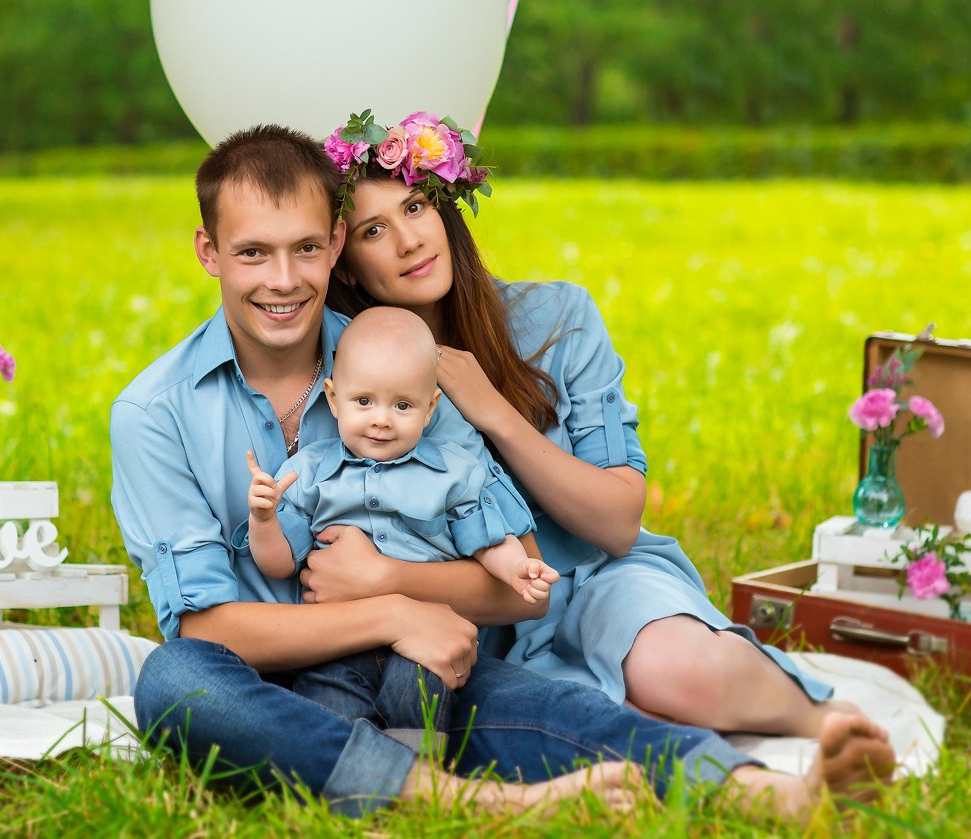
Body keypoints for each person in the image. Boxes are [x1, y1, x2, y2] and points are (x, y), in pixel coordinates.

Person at [110, 121, 894, 819]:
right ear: (209, 252)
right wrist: (389, 613)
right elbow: (208, 626)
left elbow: (510, 578)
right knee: (176, 681)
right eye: (253, 253)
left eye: (306, 249)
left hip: (427, 667)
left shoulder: (399, 360)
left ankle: (767, 792)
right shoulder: (155, 412)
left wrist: (396, 596)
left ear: (333, 249)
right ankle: (475, 801)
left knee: (562, 712)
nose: (283, 281)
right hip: (278, 681)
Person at [319, 109, 856, 738]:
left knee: (676, 670)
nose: (408, 240)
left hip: (602, 576)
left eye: (415, 208)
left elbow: (619, 522)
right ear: (346, 262)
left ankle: (822, 726)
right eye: (374, 230)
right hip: (478, 623)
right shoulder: (353, 379)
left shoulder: (558, 318)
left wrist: (491, 408)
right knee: (602, 720)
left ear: (446, 210)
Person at [246, 306, 555, 746]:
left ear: (430, 408)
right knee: (328, 697)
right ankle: (349, 772)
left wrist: (516, 570)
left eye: (403, 405)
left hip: (427, 634)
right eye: (364, 401)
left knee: (418, 693)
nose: (381, 419)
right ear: (333, 399)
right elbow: (279, 564)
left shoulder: (453, 473)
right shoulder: (308, 475)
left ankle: (417, 773)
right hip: (339, 634)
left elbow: (485, 541)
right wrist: (263, 519)